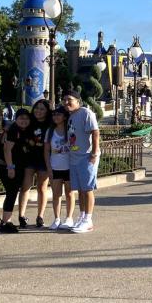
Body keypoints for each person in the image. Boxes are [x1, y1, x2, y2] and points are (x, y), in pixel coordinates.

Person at [62, 90, 100, 233]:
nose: (66, 102)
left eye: (69, 99)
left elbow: (95, 132)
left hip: (86, 156)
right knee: (80, 190)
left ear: (78, 101)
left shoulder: (86, 113)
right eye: (64, 99)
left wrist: (94, 154)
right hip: (74, 156)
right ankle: (83, 216)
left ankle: (88, 220)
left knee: (87, 189)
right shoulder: (71, 116)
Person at [19, 99, 52, 228]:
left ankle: (40, 216)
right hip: (29, 158)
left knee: (42, 188)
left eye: (42, 109)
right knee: (25, 187)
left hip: (44, 159)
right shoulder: (30, 122)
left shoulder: (50, 124)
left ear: (47, 111)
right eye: (37, 108)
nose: (38, 111)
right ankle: (21, 216)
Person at [0, 109, 32, 233]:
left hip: (16, 166)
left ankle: (6, 220)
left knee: (12, 193)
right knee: (12, 193)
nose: (24, 121)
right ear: (16, 119)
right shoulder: (13, 130)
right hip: (8, 166)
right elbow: (7, 150)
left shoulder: (22, 130)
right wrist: (10, 167)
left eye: (26, 118)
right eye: (21, 118)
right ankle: (5, 222)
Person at [44, 105, 76, 230]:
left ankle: (69, 217)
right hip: (55, 166)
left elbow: (75, 146)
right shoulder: (50, 131)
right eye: (54, 114)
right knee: (56, 194)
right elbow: (46, 151)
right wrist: (49, 168)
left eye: (58, 114)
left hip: (69, 166)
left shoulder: (70, 130)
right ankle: (57, 218)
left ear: (64, 117)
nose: (56, 117)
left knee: (69, 193)